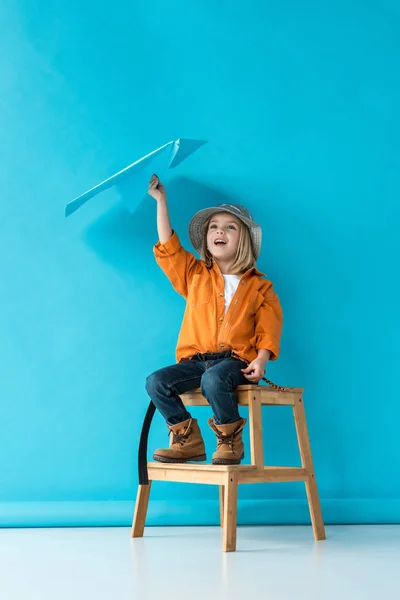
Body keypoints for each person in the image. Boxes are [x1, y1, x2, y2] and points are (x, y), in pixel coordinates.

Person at [145, 174, 283, 465]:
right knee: (156, 381)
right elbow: (168, 246)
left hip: (235, 362)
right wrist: (161, 201)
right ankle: (186, 438)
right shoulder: (193, 275)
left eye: (230, 227)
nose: (220, 231)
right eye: (214, 227)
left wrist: (260, 360)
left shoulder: (261, 287)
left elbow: (268, 327)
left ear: (243, 239)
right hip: (196, 361)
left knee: (214, 378)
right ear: (207, 240)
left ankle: (230, 438)